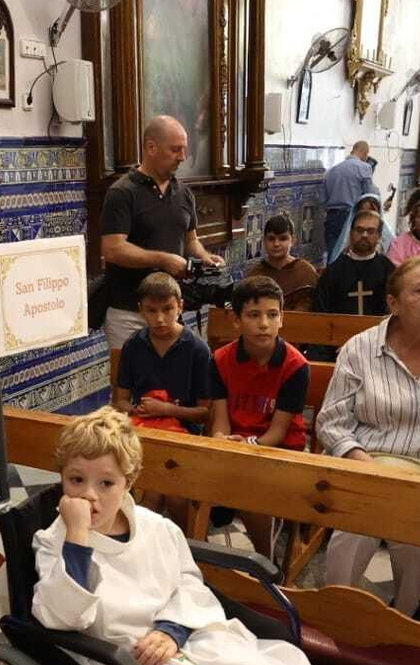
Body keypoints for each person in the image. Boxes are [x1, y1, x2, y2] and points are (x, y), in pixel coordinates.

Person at [32, 407, 420, 665]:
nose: (90, 495)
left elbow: (185, 580)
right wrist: (77, 540)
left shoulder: (154, 528)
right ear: (61, 478)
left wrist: (171, 629)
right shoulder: (54, 541)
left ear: (129, 482)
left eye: (105, 483)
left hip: (180, 638)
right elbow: (61, 616)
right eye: (77, 480)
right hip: (121, 661)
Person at [317, 258, 420, 622]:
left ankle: (404, 616)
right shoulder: (360, 349)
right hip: (367, 466)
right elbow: (332, 422)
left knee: (417, 539)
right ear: (394, 303)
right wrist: (370, 468)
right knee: (352, 532)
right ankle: (336, 615)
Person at [99, 115, 225, 348]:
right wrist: (164, 259)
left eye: (184, 150)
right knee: (132, 381)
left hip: (170, 309)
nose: (183, 157)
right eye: (175, 150)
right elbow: (113, 249)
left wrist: (205, 258)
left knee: (170, 379)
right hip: (129, 310)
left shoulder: (184, 193)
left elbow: (191, 239)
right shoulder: (122, 193)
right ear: (151, 147)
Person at [210, 276, 309, 554]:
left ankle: (266, 561)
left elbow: (278, 431)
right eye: (253, 315)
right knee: (190, 479)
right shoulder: (220, 359)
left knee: (250, 494)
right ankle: (200, 559)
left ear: (282, 318)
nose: (264, 323)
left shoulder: (295, 366)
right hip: (235, 442)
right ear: (236, 320)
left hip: (279, 448)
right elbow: (220, 416)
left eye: (272, 314)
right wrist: (220, 440)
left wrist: (247, 448)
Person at [114, 273, 217, 436]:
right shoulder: (133, 345)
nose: (159, 319)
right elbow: (121, 400)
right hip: (141, 427)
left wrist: (167, 410)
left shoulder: (198, 350)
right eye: (151, 311)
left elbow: (205, 413)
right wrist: (138, 410)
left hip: (184, 433)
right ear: (141, 310)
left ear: (180, 307)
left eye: (167, 309)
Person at [316, 208, 393, 317]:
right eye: (359, 230)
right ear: (351, 233)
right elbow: (321, 311)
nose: (364, 235)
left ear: (379, 236)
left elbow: (394, 309)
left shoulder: (388, 270)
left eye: (370, 231)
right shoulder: (333, 271)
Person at [249, 214, 319, 311]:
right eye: (271, 239)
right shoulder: (255, 275)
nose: (276, 244)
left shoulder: (306, 272)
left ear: (293, 240)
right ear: (264, 241)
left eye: (283, 238)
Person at [322, 141, 380, 256]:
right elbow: (370, 196)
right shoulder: (364, 168)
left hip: (331, 217)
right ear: (365, 153)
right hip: (351, 217)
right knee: (351, 255)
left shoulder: (331, 171)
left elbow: (322, 199)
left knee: (332, 254)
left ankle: (332, 274)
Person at [325, 193, 396, 266]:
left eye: (371, 211)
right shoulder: (346, 247)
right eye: (363, 212)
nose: (364, 235)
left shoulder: (389, 242)